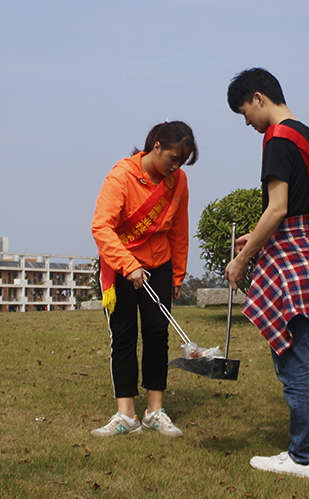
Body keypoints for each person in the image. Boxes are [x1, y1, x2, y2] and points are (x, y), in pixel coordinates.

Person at [225, 68, 309, 477]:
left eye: (244, 111)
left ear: (259, 98)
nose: (246, 122)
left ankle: (302, 457)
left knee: (293, 362)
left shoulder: (277, 138)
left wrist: (242, 259)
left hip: (291, 261)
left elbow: (279, 207)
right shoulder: (307, 135)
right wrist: (255, 236)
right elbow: (300, 206)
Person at [90, 121, 198, 438]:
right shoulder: (121, 176)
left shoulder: (178, 182)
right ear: (156, 147)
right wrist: (128, 265)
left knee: (157, 335)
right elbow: (101, 227)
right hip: (121, 266)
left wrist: (178, 274)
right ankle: (126, 415)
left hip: (160, 265)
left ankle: (155, 412)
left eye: (182, 162)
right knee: (124, 335)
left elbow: (179, 230)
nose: (176, 167)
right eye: (173, 158)